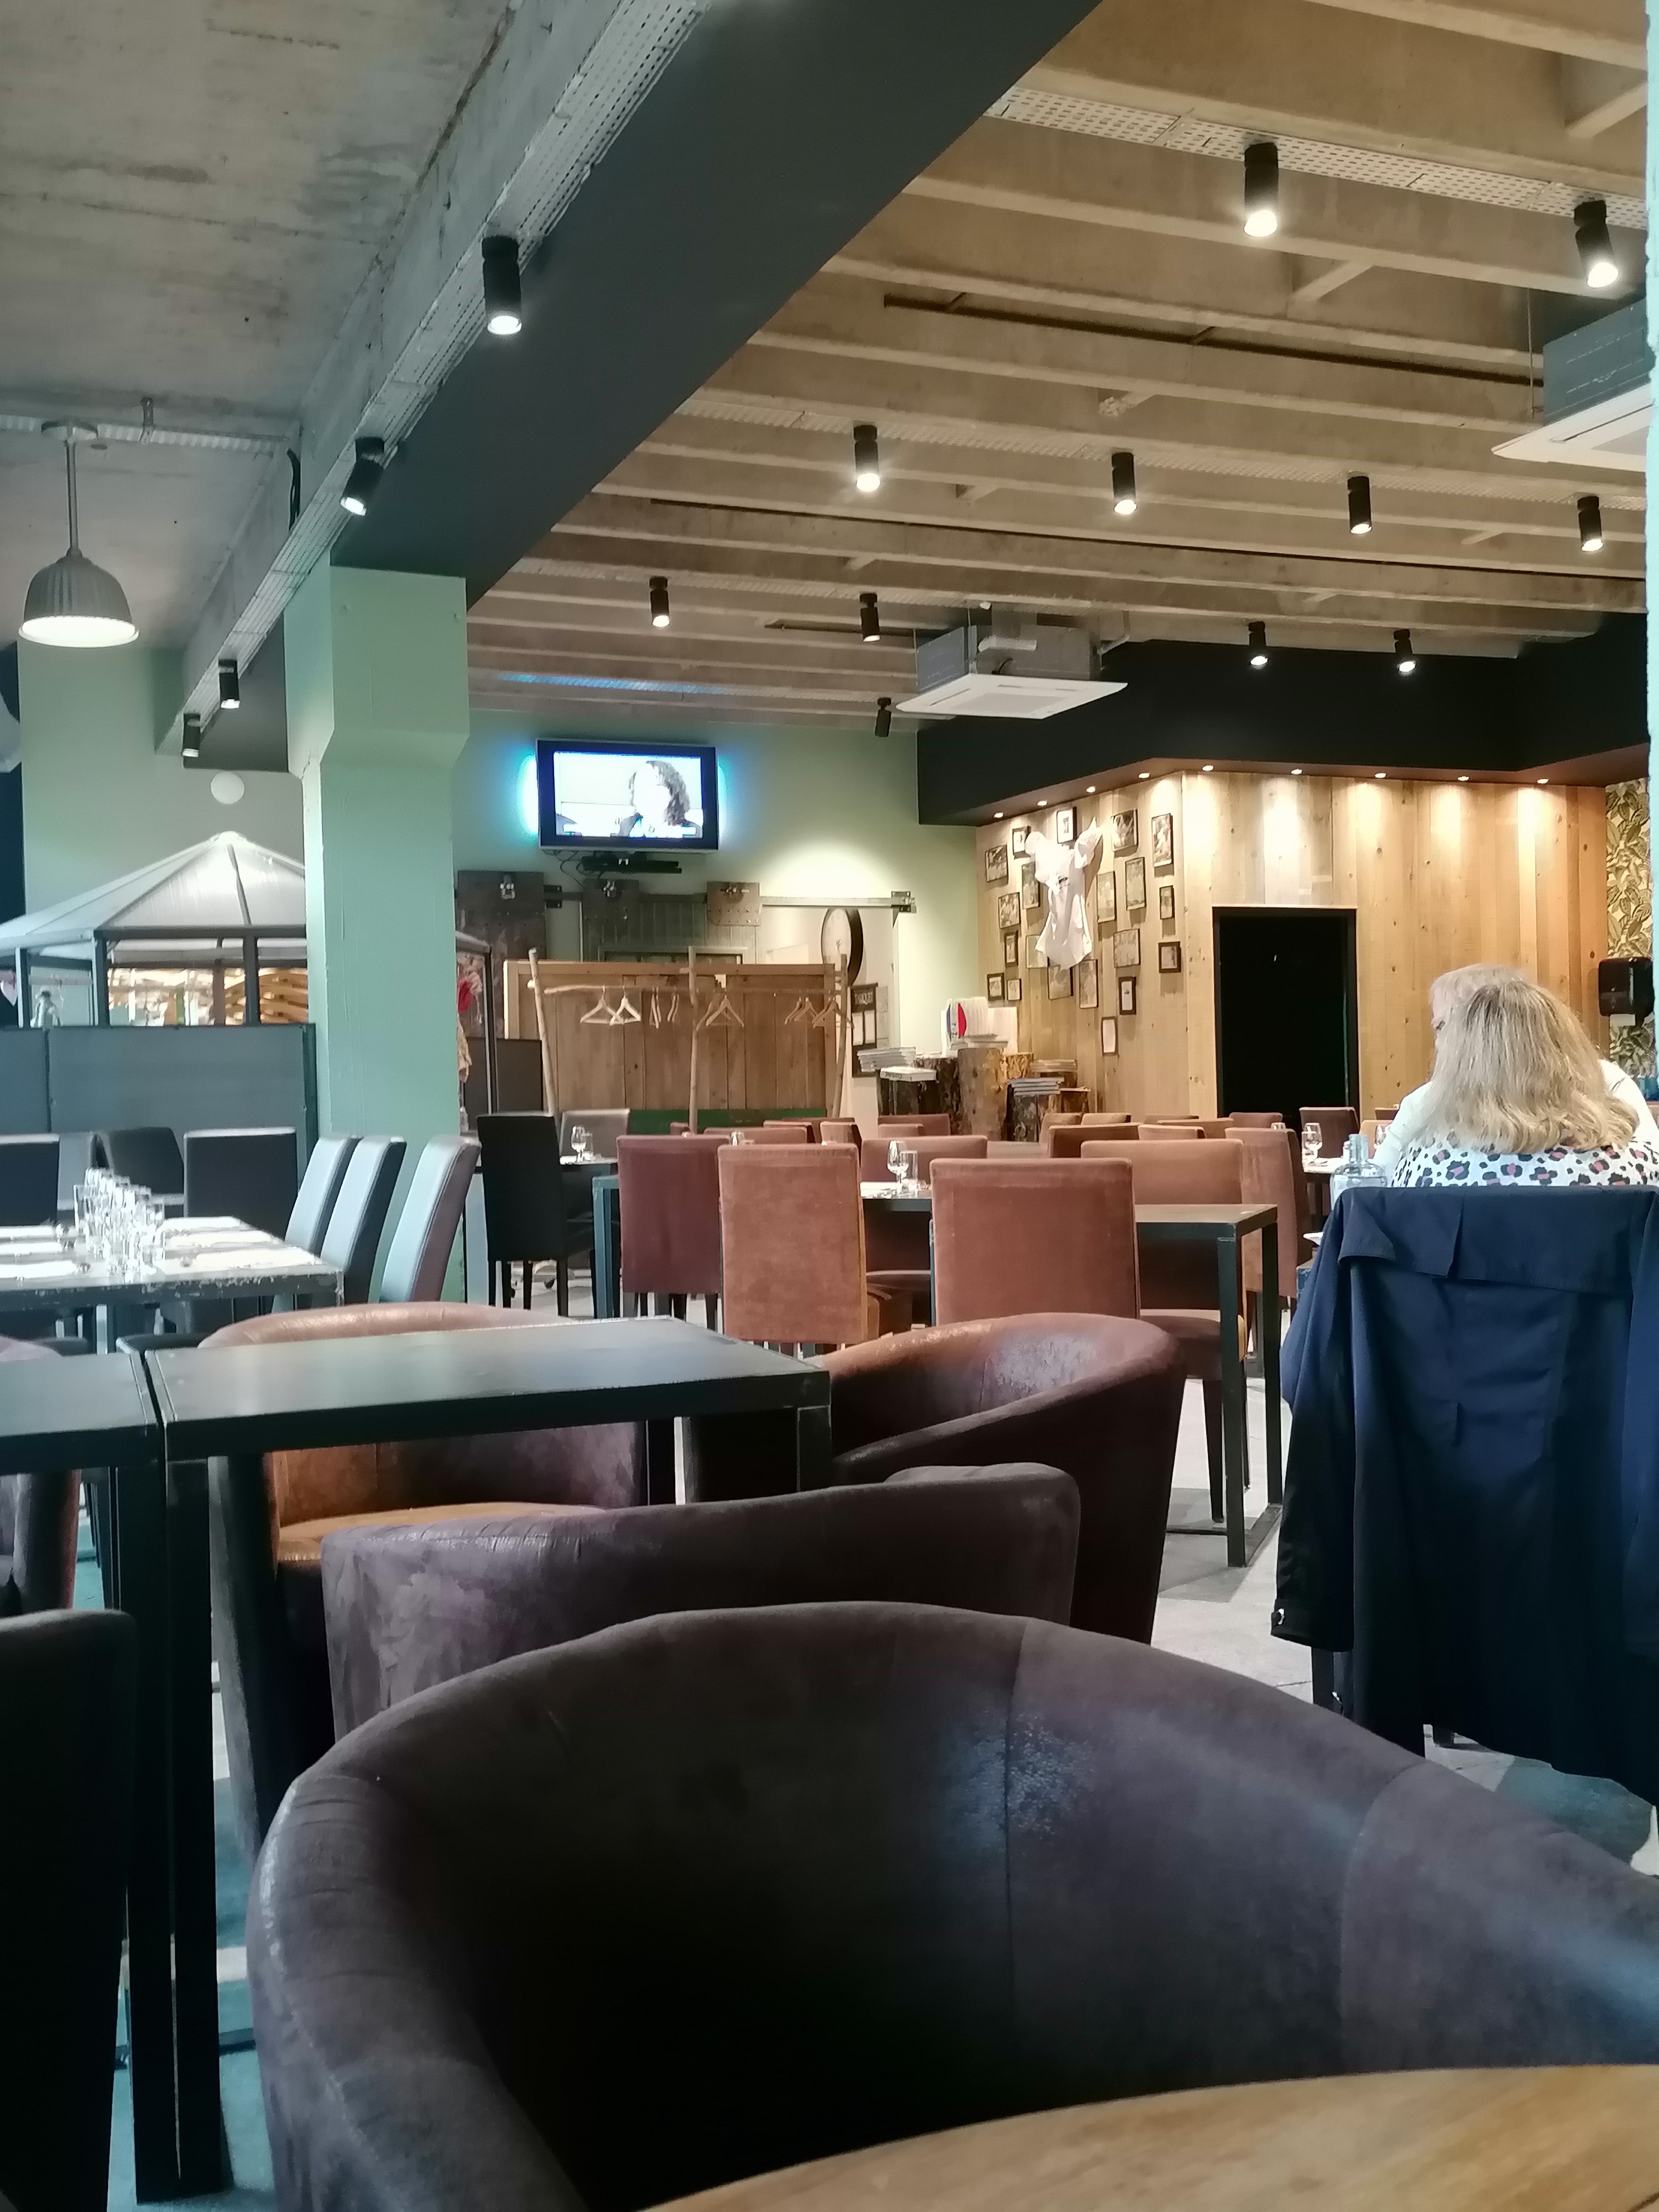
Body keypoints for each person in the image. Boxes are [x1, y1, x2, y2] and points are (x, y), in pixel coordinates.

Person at [1375, 963, 1656, 1177]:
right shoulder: (1635, 1166)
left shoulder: (1425, 1167)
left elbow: (1377, 1196)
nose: (1442, 1041)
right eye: (1440, 1026)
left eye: (1446, 1026)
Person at [616, 759, 694, 839]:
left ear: (671, 792)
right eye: (639, 787)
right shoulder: (627, 826)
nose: (643, 794)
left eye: (652, 786)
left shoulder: (693, 832)